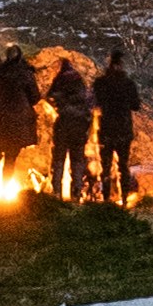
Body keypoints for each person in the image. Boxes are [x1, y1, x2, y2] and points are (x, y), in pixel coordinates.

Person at [0, 43, 42, 197]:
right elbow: (34, 97)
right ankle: (4, 194)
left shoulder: (1, 73)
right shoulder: (26, 73)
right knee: (10, 159)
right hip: (18, 123)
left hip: (0, 121)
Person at [91, 40, 140, 208]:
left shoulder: (100, 83)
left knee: (105, 166)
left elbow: (94, 103)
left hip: (105, 128)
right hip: (124, 129)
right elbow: (136, 105)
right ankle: (124, 198)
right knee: (123, 165)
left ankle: (105, 199)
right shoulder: (128, 84)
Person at [47, 52, 95, 205]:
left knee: (59, 160)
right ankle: (76, 194)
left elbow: (50, 96)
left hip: (63, 125)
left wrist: (57, 107)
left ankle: (56, 193)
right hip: (79, 126)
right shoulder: (79, 82)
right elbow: (89, 104)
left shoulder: (59, 80)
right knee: (77, 161)